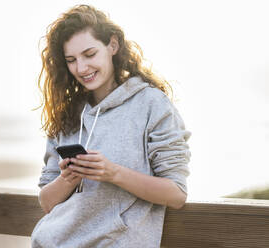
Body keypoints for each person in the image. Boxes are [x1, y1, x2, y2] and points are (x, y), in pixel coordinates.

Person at [31, 4, 191, 248]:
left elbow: (176, 194)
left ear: (112, 45)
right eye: (71, 60)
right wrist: (68, 178)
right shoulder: (68, 114)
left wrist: (113, 173)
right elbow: (47, 202)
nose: (81, 68)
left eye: (90, 54)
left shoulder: (151, 104)